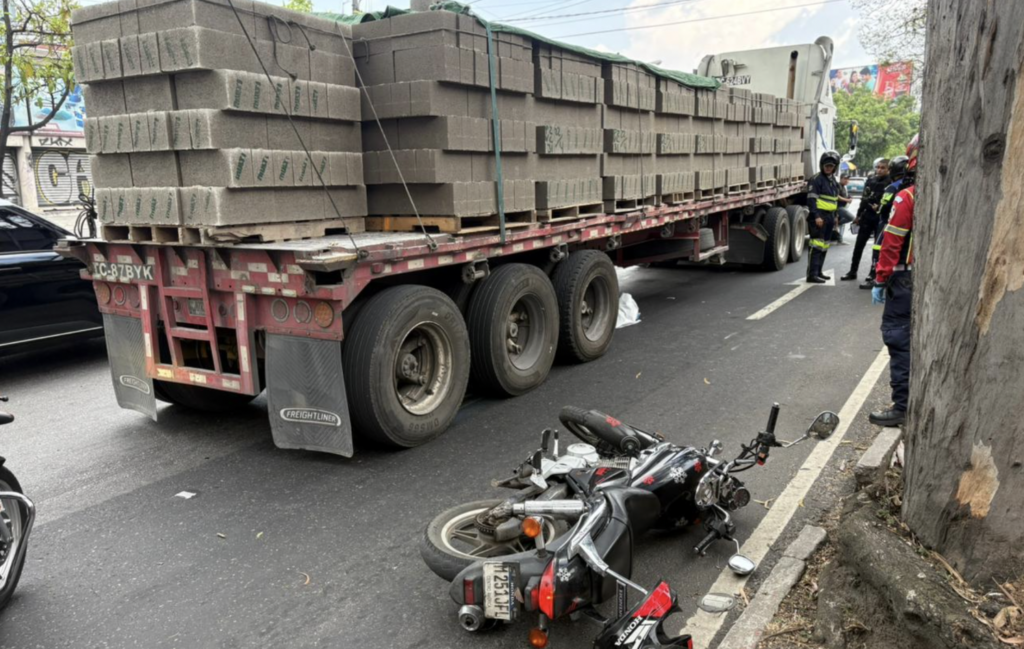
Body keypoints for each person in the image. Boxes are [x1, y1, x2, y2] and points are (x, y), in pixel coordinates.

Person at [869, 134, 918, 427]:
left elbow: (892, 240)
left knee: (898, 338)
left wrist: (881, 277)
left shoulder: (907, 196)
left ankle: (902, 406)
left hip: (904, 278)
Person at [859, 155, 909, 290]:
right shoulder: (910, 186)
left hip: (887, 223)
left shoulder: (892, 187)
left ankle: (875, 278)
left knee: (878, 250)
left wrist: (878, 208)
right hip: (905, 226)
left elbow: (884, 206)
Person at [841, 158, 889, 281]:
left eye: (883, 168)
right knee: (859, 245)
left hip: (880, 218)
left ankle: (873, 273)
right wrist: (858, 215)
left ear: (888, 170)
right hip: (867, 216)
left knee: (877, 247)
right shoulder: (871, 180)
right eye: (878, 167)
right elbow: (864, 198)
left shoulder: (890, 182)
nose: (879, 170)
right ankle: (853, 271)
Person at [805, 150, 841, 283]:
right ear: (822, 165)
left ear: (835, 167)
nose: (828, 168)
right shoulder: (816, 179)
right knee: (816, 245)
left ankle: (819, 271)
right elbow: (811, 200)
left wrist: (835, 216)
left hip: (830, 216)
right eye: (826, 166)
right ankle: (812, 274)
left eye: (831, 166)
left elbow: (834, 200)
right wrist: (816, 216)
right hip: (819, 216)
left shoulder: (833, 180)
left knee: (824, 245)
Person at [833, 172, 856, 244]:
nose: (847, 180)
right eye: (845, 179)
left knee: (842, 224)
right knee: (852, 218)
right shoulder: (838, 185)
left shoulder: (844, 187)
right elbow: (837, 196)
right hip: (837, 208)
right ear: (840, 179)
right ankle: (836, 224)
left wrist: (850, 197)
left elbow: (846, 195)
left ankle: (840, 240)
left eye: (848, 179)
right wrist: (847, 200)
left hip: (843, 207)